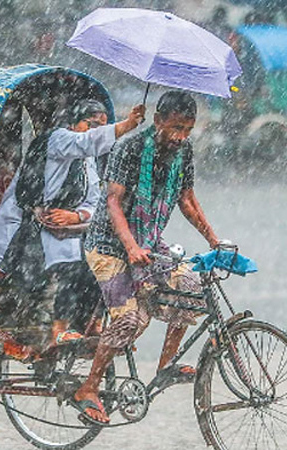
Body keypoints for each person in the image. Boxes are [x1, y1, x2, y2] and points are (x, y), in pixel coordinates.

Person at [72, 91, 220, 424]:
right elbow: (113, 201)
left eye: (188, 129)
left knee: (190, 288)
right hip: (108, 246)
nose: (181, 136)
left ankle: (166, 365)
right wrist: (130, 247)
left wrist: (213, 239)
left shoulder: (183, 152)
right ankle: (89, 387)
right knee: (130, 320)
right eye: (176, 128)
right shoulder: (130, 148)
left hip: (149, 243)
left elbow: (187, 199)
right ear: (157, 121)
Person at [0, 99, 145, 348]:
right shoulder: (58, 139)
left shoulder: (87, 160)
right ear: (73, 124)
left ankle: (92, 324)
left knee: (98, 260)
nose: (96, 131)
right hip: (24, 227)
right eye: (91, 124)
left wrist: (77, 216)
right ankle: (58, 331)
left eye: (102, 126)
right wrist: (128, 124)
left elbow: (94, 201)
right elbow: (86, 142)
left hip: (62, 230)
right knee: (71, 267)